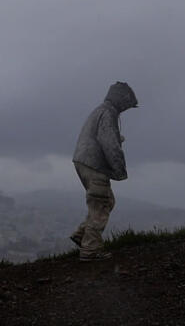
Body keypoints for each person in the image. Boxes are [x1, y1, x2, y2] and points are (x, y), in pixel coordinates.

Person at [70, 81, 138, 261]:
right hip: (95, 164)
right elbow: (109, 144)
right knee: (100, 204)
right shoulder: (108, 113)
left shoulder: (101, 110)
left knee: (104, 201)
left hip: (83, 161)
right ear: (121, 100)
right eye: (127, 104)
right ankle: (90, 249)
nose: (126, 109)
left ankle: (82, 235)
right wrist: (120, 169)